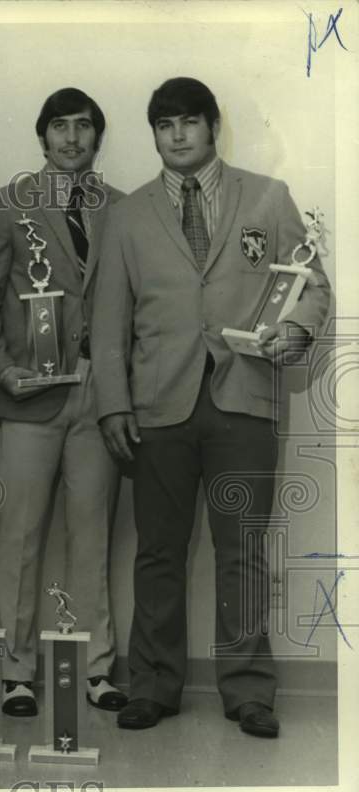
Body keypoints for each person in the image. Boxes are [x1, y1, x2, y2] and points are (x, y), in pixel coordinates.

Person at [91, 77, 331, 738]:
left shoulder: (268, 197)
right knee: (158, 552)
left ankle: (249, 689)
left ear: (212, 126)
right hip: (158, 406)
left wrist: (299, 329)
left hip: (245, 400)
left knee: (243, 549)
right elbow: (107, 322)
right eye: (164, 124)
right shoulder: (128, 216)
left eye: (189, 122)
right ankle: (155, 685)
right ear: (155, 134)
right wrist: (113, 404)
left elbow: (312, 285)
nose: (177, 134)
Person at [0, 87, 128, 718]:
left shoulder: (122, 209)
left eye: (85, 127)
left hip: (98, 395)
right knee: (21, 536)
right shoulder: (9, 206)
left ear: (97, 138)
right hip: (29, 394)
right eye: (60, 126)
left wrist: (122, 389)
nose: (72, 138)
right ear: (42, 135)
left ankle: (98, 669)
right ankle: (16, 670)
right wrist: (1, 370)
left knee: (94, 535)